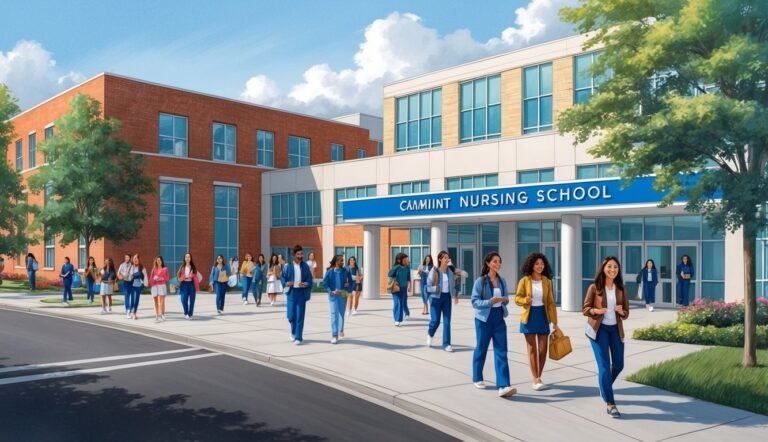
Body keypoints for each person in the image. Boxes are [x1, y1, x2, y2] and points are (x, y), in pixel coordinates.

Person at [584, 256, 629, 419]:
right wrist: (596, 311)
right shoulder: (594, 288)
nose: (612, 270)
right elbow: (585, 309)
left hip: (615, 330)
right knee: (604, 366)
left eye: (615, 267)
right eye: (609, 266)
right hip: (598, 330)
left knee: (619, 364)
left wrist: (621, 312)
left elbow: (626, 313)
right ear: (603, 268)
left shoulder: (621, 289)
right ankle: (610, 404)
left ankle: (604, 385)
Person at [471, 252, 517, 398]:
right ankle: (477, 377)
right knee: (481, 348)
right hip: (483, 319)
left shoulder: (502, 281)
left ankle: (504, 385)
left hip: (499, 319)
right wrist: (490, 301)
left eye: (499, 262)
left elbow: (507, 299)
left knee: (502, 351)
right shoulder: (480, 281)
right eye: (495, 262)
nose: (498, 264)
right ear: (488, 263)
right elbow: (474, 301)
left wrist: (503, 300)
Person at [515, 252, 559, 391]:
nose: (540, 266)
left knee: (542, 349)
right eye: (537, 264)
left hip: (542, 315)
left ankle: (538, 376)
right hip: (529, 316)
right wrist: (525, 300)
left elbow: (551, 303)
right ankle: (536, 379)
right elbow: (517, 299)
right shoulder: (524, 281)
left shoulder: (547, 281)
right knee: (532, 349)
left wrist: (555, 322)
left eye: (542, 264)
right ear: (531, 265)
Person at [426, 251, 459, 352]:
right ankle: (430, 333)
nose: (447, 259)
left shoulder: (450, 271)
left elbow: (458, 279)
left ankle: (446, 344)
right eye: (445, 257)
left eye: (448, 258)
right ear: (440, 259)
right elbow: (427, 287)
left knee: (447, 322)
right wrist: (435, 289)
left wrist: (456, 294)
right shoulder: (434, 271)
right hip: (436, 298)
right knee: (435, 321)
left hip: (447, 298)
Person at [282, 245, 313, 345]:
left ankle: (298, 337)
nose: (300, 256)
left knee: (300, 315)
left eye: (301, 254)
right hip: (291, 293)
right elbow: (283, 278)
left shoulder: (305, 266)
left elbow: (309, 279)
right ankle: (293, 332)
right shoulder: (288, 266)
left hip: (301, 293)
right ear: (294, 255)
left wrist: (306, 284)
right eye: (298, 254)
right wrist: (287, 283)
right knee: (291, 316)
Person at [323, 255, 353, 344]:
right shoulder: (329, 272)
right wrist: (330, 291)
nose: (342, 262)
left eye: (343, 260)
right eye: (340, 260)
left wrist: (347, 288)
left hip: (343, 294)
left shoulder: (346, 271)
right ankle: (334, 334)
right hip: (333, 295)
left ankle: (341, 329)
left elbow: (351, 282)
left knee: (341, 313)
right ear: (336, 262)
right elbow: (325, 284)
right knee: (333, 314)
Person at [387, 252, 411, 326]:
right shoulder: (396, 267)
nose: (406, 261)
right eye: (404, 260)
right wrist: (396, 268)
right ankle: (397, 319)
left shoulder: (407, 268)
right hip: (395, 288)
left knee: (403, 302)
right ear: (399, 260)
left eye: (407, 260)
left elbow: (408, 278)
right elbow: (389, 274)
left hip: (404, 288)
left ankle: (407, 313)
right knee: (398, 303)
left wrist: (409, 286)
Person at [177, 253, 200, 320]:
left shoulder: (193, 267)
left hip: (191, 284)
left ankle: (190, 314)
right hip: (184, 284)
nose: (187, 258)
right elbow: (178, 276)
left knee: (192, 300)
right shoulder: (182, 267)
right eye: (186, 257)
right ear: (184, 258)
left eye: (189, 257)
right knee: (183, 300)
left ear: (190, 258)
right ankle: (186, 313)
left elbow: (196, 276)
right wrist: (184, 277)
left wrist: (192, 275)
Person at [127, 254, 149, 320]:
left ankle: (134, 313)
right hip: (132, 285)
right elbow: (128, 275)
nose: (135, 259)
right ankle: (130, 311)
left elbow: (145, 277)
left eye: (137, 258)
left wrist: (145, 283)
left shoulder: (142, 268)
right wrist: (132, 276)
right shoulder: (131, 266)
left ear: (139, 259)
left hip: (138, 286)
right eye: (134, 258)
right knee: (132, 299)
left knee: (136, 300)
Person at [150, 256, 169, 322]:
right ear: (156, 262)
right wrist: (154, 279)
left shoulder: (165, 269)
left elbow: (167, 277)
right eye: (157, 260)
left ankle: (162, 315)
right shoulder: (153, 269)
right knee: (155, 301)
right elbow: (151, 279)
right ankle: (156, 316)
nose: (159, 262)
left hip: (162, 285)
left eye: (160, 260)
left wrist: (161, 278)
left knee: (162, 301)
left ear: (162, 261)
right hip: (155, 286)